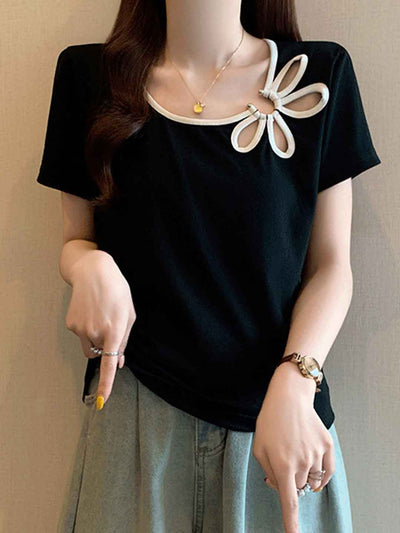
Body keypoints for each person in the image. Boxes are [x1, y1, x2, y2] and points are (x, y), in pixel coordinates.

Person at [36, 1, 381, 532]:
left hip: (280, 431)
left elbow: (331, 266)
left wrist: (298, 378)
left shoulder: (317, 78)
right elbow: (75, 240)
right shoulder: (91, 79)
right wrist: (88, 264)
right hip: (136, 425)